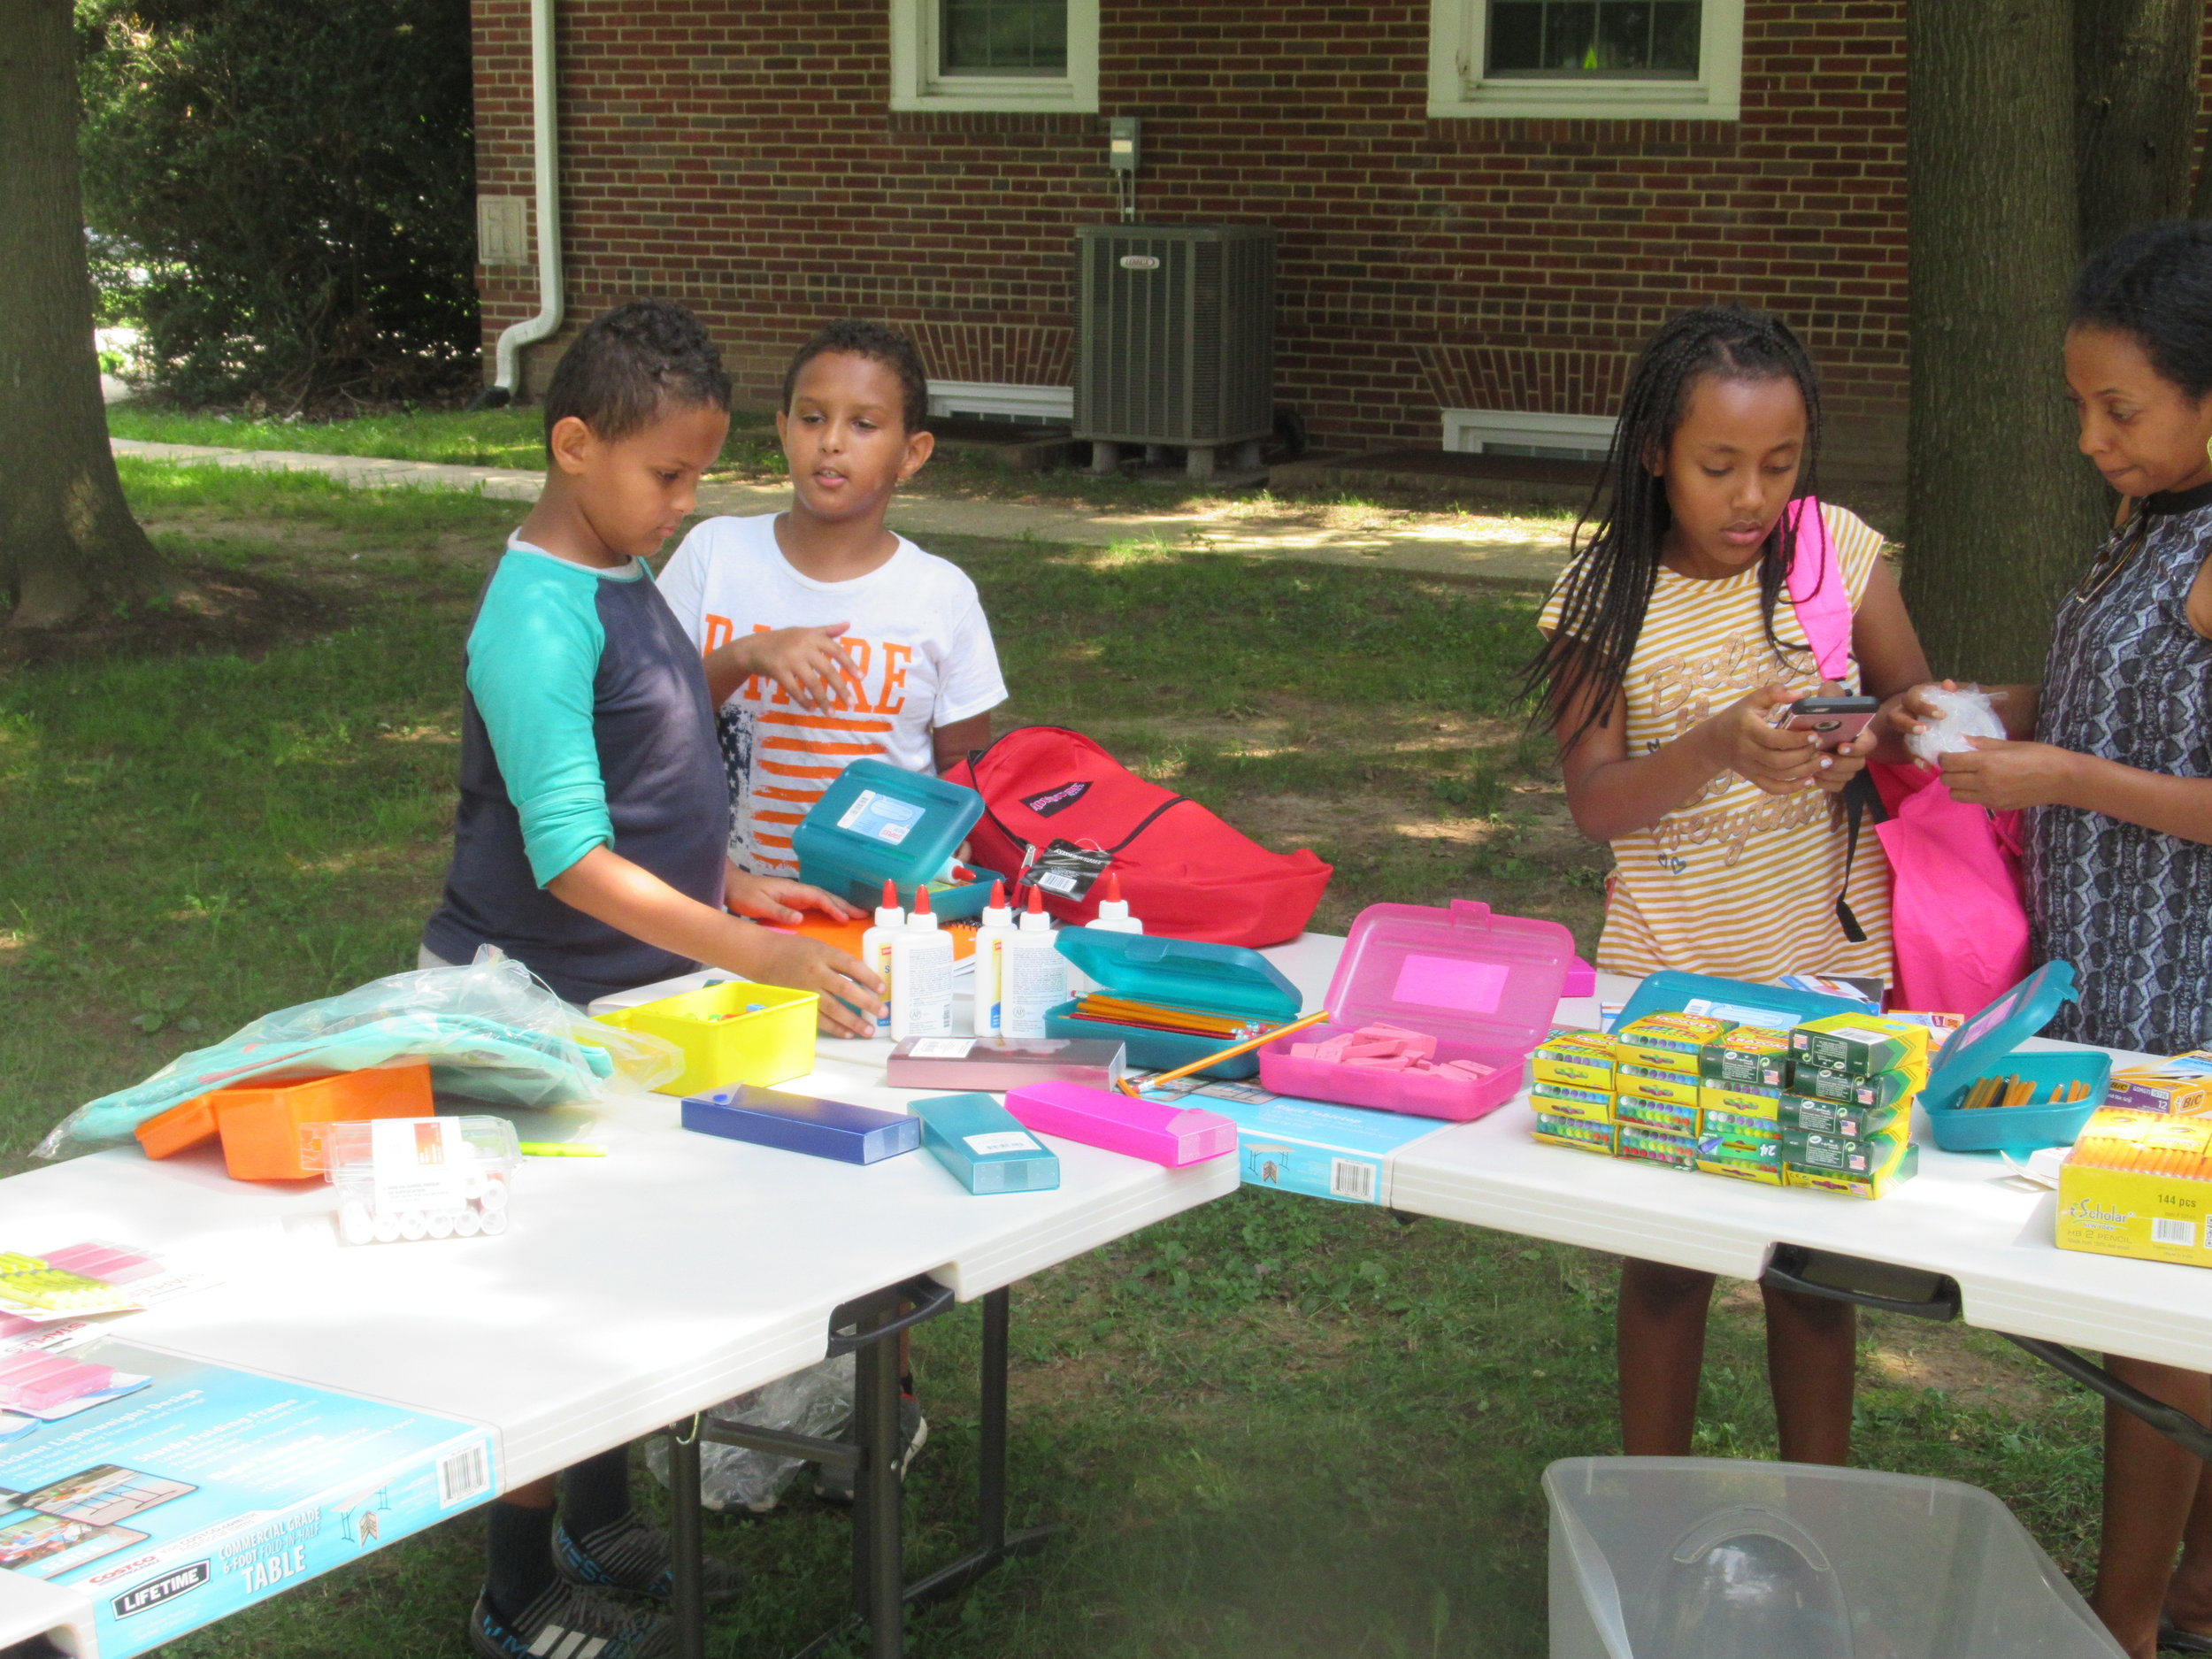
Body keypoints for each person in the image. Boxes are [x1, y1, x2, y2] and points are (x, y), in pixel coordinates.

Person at [419, 299, 885, 1659]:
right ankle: (515, 1587)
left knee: (619, 1278)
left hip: (631, 995)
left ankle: (597, 1514)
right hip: (524, 1006)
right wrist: (756, 950)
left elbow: (654, 776)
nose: (685, 503)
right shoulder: (535, 616)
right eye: (665, 475)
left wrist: (737, 889)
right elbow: (570, 855)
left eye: (696, 475)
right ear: (575, 446)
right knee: (544, 1307)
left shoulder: (621, 577)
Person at [1880, 220, 2212, 1659]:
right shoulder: (2156, 518)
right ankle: (2191, 1597)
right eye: (2081, 404)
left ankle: (2127, 1621)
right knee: (2157, 1306)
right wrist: (1994, 710)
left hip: (2184, 1000)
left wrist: (2060, 777)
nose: (2089, 436)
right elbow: (2123, 700)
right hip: (2109, 972)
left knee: (2157, 1315)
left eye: (2118, 408)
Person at [1528, 305, 1932, 1467]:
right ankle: (1648, 1506)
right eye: (1719, 465)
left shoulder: (1835, 550)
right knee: (1667, 1264)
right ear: (1657, 450)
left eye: (1780, 462)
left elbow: (1913, 716)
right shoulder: (1605, 593)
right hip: (1669, 969)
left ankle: (1824, 1513)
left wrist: (1874, 733)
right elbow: (1597, 799)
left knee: (1813, 1272)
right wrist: (1717, 743)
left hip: (1828, 959)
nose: (1752, 494)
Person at [656, 319, 1007, 879]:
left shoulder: (941, 595)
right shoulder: (714, 552)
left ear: (912, 454)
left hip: (874, 915)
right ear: (783, 427)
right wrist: (744, 657)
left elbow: (963, 770)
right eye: (812, 417)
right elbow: (646, 721)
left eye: (863, 424)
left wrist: (953, 845)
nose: (831, 440)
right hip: (720, 903)